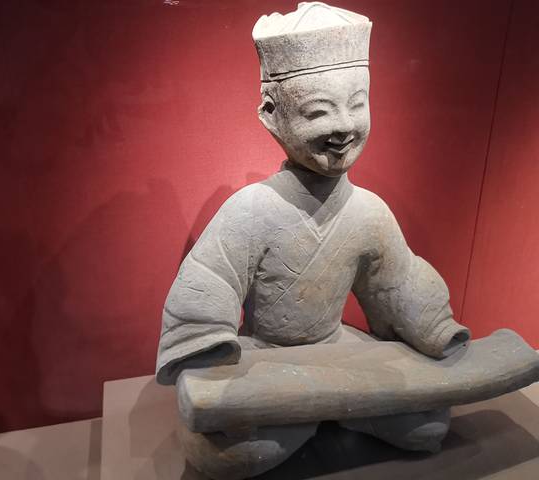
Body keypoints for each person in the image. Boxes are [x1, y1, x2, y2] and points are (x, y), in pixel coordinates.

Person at [156, 3, 470, 477]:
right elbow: (209, 283)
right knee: (234, 456)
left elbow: (398, 282)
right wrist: (207, 354)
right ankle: (324, 413)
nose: (343, 125)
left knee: (426, 428)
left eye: (357, 104)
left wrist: (436, 329)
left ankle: (320, 413)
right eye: (319, 111)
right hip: (267, 358)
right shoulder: (251, 209)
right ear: (271, 114)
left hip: (339, 348)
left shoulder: (368, 211)